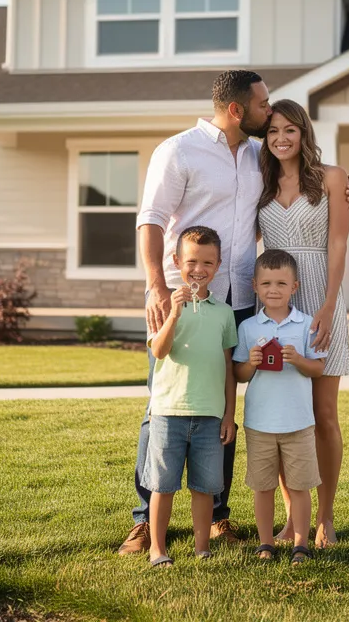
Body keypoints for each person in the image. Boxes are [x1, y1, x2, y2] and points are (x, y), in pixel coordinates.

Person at [120, 70, 349, 557]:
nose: (271, 116)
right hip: (188, 296)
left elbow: (323, 203)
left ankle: (221, 516)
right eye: (263, 108)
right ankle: (146, 520)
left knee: (226, 406)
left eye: (277, 115)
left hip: (248, 298)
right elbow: (150, 219)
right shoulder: (179, 151)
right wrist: (154, 286)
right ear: (237, 110)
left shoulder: (259, 157)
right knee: (165, 405)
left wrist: (346, 194)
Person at [257, 98, 349, 550]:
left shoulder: (332, 178)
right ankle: (294, 520)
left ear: (304, 132)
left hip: (322, 299)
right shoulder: (260, 183)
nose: (281, 138)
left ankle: (325, 518)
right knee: (284, 417)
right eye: (273, 130)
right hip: (279, 304)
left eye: (290, 130)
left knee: (324, 415)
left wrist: (330, 305)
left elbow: (338, 243)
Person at [143, 225, 238, 567]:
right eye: (192, 261)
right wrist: (174, 313)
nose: (199, 270)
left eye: (208, 263)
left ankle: (202, 548)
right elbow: (159, 351)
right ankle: (157, 549)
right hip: (169, 411)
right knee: (163, 485)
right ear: (176, 261)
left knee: (205, 487)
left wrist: (229, 414)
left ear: (218, 266)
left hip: (210, 414)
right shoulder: (164, 304)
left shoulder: (224, 313)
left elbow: (228, 367)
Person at [233, 250, 326, 565]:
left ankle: (301, 542)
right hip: (260, 423)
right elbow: (239, 374)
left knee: (300, 486)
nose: (274, 290)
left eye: (282, 283)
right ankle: (265, 543)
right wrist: (252, 363)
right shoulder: (247, 327)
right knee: (263, 487)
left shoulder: (305, 325)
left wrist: (299, 359)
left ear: (294, 287)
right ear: (255, 287)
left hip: (298, 422)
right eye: (267, 283)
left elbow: (318, 368)